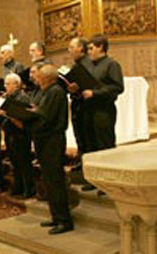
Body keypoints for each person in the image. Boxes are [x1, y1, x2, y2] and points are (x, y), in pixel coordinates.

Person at [30, 64, 73, 234]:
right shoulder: (47, 92)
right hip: (44, 139)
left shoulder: (55, 91)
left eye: (38, 76)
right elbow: (41, 111)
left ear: (46, 77)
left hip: (52, 140)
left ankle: (64, 220)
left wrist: (28, 118)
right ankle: (56, 216)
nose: (36, 79)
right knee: (48, 179)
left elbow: (45, 117)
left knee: (55, 180)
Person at [80, 34, 124, 191]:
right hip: (89, 110)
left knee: (104, 145)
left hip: (103, 110)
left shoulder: (111, 64)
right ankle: (95, 180)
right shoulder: (90, 65)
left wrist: (95, 93)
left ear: (101, 47)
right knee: (91, 145)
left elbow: (118, 87)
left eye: (91, 48)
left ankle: (109, 182)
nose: (89, 52)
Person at [0, 73, 35, 198]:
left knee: (24, 162)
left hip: (21, 133)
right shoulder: (8, 97)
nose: (6, 86)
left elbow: (22, 115)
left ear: (17, 84)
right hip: (10, 132)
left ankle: (29, 188)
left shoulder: (23, 97)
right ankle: (18, 186)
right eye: (5, 84)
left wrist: (7, 113)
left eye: (8, 84)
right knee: (14, 161)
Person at [65, 37, 93, 168]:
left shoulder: (89, 64)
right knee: (79, 136)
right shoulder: (77, 64)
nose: (69, 50)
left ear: (81, 48)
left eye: (71, 47)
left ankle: (87, 164)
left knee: (87, 138)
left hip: (86, 106)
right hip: (78, 103)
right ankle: (81, 160)